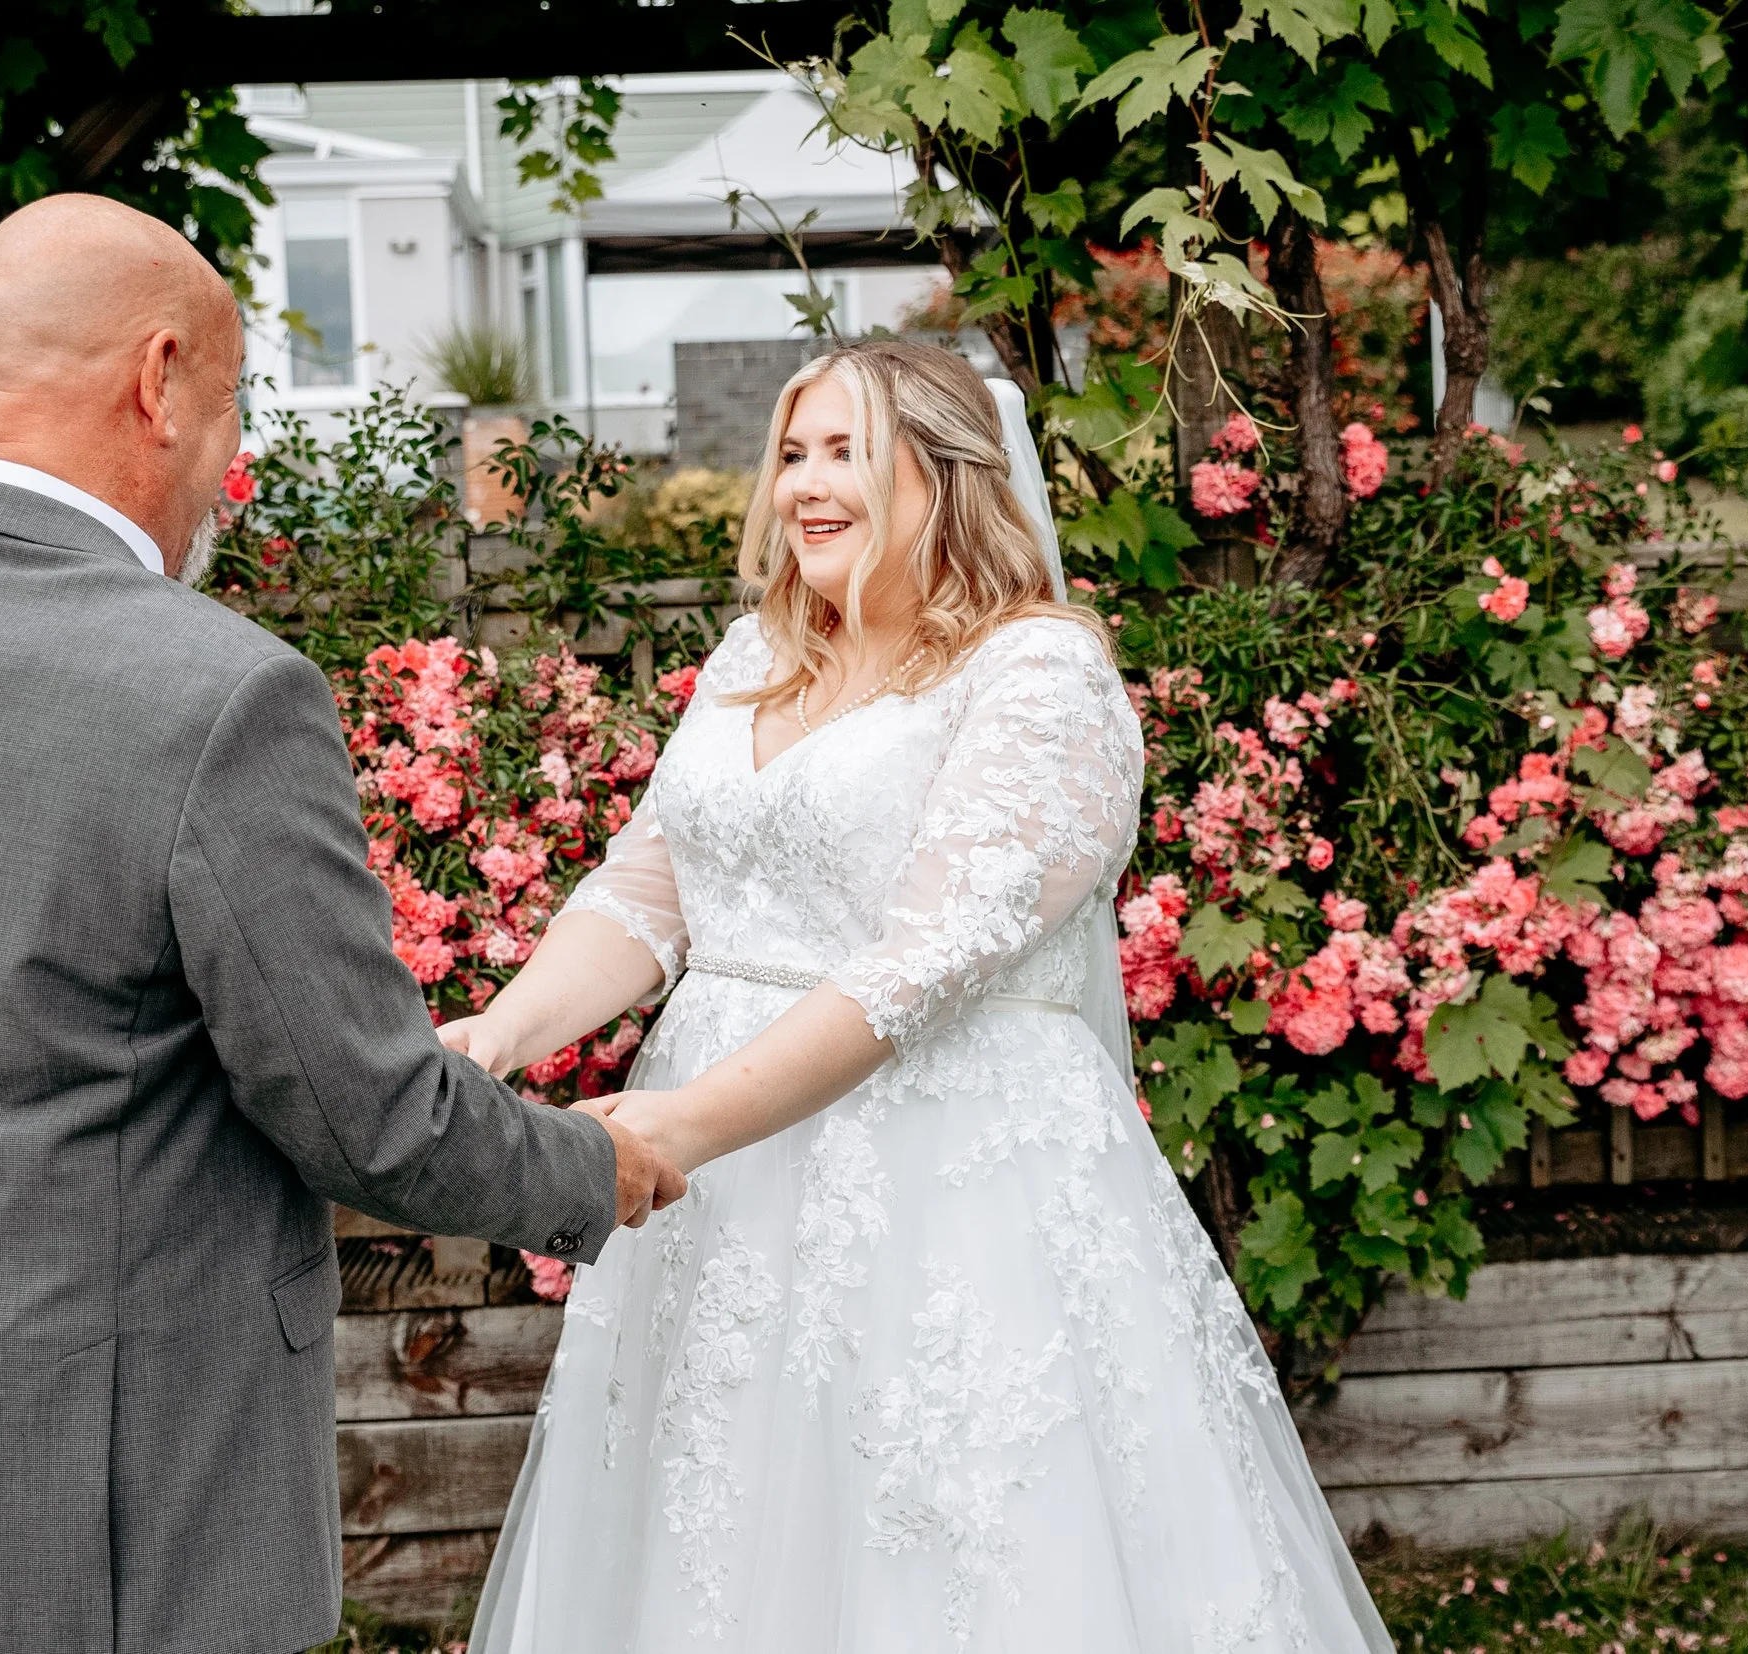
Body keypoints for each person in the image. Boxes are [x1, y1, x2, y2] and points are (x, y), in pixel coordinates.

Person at [0, 193, 683, 1654]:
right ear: (159, 378)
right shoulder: (216, 692)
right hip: (112, 1515)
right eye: (236, 404)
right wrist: (591, 1166)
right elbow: (366, 1111)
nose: (231, 461)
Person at [454, 338, 1394, 1651]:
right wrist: (491, 1037)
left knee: (947, 1547)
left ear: (947, 475)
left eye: (847, 451)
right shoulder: (751, 656)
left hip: (941, 1187)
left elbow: (920, 962)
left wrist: (673, 1128)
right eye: (794, 451)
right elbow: (646, 895)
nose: (805, 484)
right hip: (720, 1204)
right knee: (715, 1534)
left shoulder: (1039, 676)